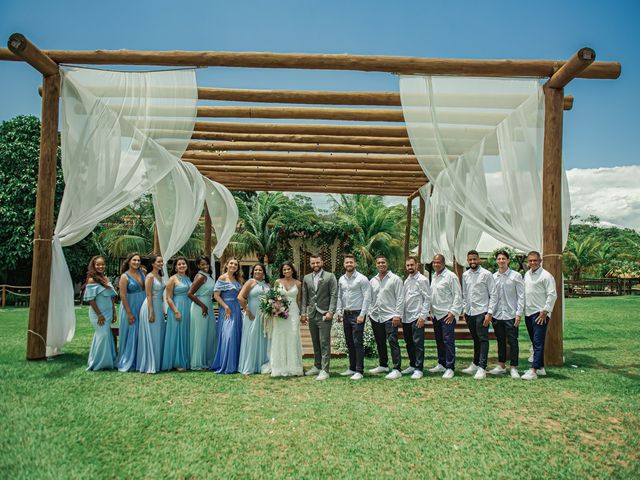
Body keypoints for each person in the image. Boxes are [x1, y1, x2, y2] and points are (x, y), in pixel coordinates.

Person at [461, 250, 497, 380]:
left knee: (483, 339)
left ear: (479, 259)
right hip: (470, 312)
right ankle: (475, 363)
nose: (472, 262)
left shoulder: (486, 274)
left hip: (482, 312)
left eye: (474, 259)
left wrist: (489, 313)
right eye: (470, 260)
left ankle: (482, 367)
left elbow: (493, 294)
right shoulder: (465, 275)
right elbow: (464, 294)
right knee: (475, 339)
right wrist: (465, 309)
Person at [488, 250, 525, 379]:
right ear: (496, 261)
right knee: (500, 341)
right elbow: (491, 296)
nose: (501, 261)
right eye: (499, 259)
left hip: (511, 315)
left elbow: (521, 296)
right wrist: (491, 312)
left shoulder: (516, 276)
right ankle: (501, 365)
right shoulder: (493, 277)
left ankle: (514, 367)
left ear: (508, 260)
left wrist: (519, 313)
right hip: (497, 315)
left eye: (504, 258)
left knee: (513, 341)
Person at [301, 254, 338, 381]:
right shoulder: (306, 278)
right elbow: (305, 297)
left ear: (322, 262)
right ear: (310, 264)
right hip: (312, 314)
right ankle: (317, 366)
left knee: (324, 343)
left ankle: (325, 370)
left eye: (317, 262)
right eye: (313, 263)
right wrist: (303, 313)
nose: (315, 265)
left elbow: (334, 295)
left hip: (325, 314)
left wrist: (331, 312)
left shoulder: (330, 276)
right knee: (315, 342)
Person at [335, 254, 371, 381]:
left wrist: (362, 314)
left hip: (357, 314)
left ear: (355, 264)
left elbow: (367, 297)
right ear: (344, 264)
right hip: (346, 314)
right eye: (347, 262)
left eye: (351, 262)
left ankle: (359, 370)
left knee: (357, 343)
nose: (349, 264)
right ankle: (351, 368)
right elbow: (339, 296)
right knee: (349, 342)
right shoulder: (341, 279)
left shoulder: (362, 279)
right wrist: (339, 312)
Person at [522, 251, 557, 381]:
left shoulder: (546, 276)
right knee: (534, 341)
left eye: (535, 260)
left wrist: (545, 311)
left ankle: (533, 370)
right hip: (528, 313)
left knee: (538, 342)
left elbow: (552, 294)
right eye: (530, 261)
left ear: (540, 261)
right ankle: (541, 368)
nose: (532, 263)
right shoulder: (527, 274)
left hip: (540, 314)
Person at [368, 256, 404, 380]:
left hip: (390, 316)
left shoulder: (395, 279)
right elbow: (370, 298)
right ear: (376, 265)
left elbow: (400, 298)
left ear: (387, 264)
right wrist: (370, 312)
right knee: (380, 342)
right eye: (378, 263)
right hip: (376, 316)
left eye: (383, 262)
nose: (381, 264)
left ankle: (396, 369)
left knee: (393, 342)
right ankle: (383, 365)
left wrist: (397, 315)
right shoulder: (373, 280)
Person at [428, 254, 463, 379]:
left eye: (438, 262)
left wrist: (453, 312)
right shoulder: (434, 276)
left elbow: (458, 295)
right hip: (436, 315)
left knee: (448, 341)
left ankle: (450, 367)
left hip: (447, 315)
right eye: (434, 262)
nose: (436, 264)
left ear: (443, 263)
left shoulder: (451, 276)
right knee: (439, 340)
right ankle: (441, 363)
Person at [269, 261, 304, 377]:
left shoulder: (298, 283)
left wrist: (301, 314)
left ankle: (293, 366)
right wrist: (274, 309)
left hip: (293, 312)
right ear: (282, 271)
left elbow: (299, 300)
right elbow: (273, 297)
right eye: (284, 269)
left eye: (288, 269)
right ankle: (280, 366)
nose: (286, 271)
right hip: (280, 312)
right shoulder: (277, 282)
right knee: (280, 336)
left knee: (292, 336)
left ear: (292, 270)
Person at [83, 256, 117, 371]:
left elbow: (111, 296)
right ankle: (98, 363)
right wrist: (99, 315)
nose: (100, 266)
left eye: (102, 264)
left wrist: (114, 311)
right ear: (93, 266)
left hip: (108, 312)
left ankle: (107, 360)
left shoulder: (105, 278)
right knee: (102, 335)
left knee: (104, 336)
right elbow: (91, 300)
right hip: (98, 313)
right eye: (98, 264)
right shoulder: (92, 280)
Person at [211, 257, 244, 374]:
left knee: (235, 335)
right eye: (231, 263)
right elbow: (216, 295)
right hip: (226, 309)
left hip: (236, 309)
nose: (233, 266)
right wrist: (225, 307)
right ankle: (225, 363)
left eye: (236, 264)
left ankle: (234, 364)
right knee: (228, 336)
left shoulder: (237, 279)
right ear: (227, 265)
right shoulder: (222, 278)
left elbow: (241, 296)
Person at [237, 264, 270, 374]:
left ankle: (261, 364)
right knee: (252, 338)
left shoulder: (266, 285)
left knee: (263, 338)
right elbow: (240, 297)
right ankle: (250, 365)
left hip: (264, 316)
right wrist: (247, 311)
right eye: (255, 270)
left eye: (260, 270)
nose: (257, 271)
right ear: (253, 272)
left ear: (263, 272)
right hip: (252, 314)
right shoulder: (250, 282)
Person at [402, 256, 431, 380]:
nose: (410, 267)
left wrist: (422, 316)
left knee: (418, 344)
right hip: (406, 317)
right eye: (408, 265)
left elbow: (427, 299)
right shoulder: (406, 281)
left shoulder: (423, 280)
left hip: (417, 317)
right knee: (409, 343)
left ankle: (419, 368)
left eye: (411, 265)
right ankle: (412, 365)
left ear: (416, 265)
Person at [137, 255, 167, 374]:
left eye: (162, 262)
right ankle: (150, 363)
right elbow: (148, 294)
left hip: (159, 306)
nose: (161, 264)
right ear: (153, 264)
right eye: (158, 262)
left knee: (158, 334)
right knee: (152, 334)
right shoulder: (149, 276)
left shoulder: (159, 276)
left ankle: (158, 363)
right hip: (150, 306)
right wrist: (151, 311)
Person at [116, 252, 146, 372]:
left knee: (141, 333)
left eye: (138, 260)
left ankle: (139, 360)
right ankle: (127, 360)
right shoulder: (124, 276)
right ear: (129, 261)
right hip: (130, 306)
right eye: (134, 260)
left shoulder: (142, 273)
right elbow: (122, 296)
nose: (136, 262)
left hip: (141, 306)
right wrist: (129, 313)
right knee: (130, 333)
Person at [162, 257, 193, 372]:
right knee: (177, 333)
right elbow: (168, 298)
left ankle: (186, 360)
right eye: (179, 264)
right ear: (175, 267)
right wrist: (176, 311)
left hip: (188, 306)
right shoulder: (172, 279)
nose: (181, 266)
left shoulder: (188, 278)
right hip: (177, 307)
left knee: (185, 333)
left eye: (183, 264)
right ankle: (177, 362)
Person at [188, 256, 217, 370]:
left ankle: (207, 360)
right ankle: (197, 363)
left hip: (208, 304)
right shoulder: (200, 276)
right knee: (200, 334)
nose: (205, 266)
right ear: (198, 266)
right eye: (202, 264)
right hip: (200, 306)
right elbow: (190, 293)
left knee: (209, 333)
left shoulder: (208, 276)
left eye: (207, 264)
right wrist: (203, 306)